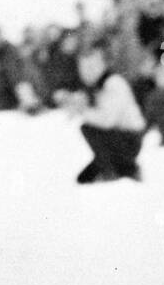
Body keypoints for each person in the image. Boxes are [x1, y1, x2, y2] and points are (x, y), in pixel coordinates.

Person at [59, 42, 146, 183]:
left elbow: (107, 121)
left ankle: (121, 170)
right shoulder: (97, 86)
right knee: (83, 179)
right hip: (118, 138)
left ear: (103, 65)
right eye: (84, 68)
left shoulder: (113, 83)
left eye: (92, 67)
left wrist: (82, 110)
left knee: (87, 128)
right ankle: (113, 167)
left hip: (130, 139)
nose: (88, 72)